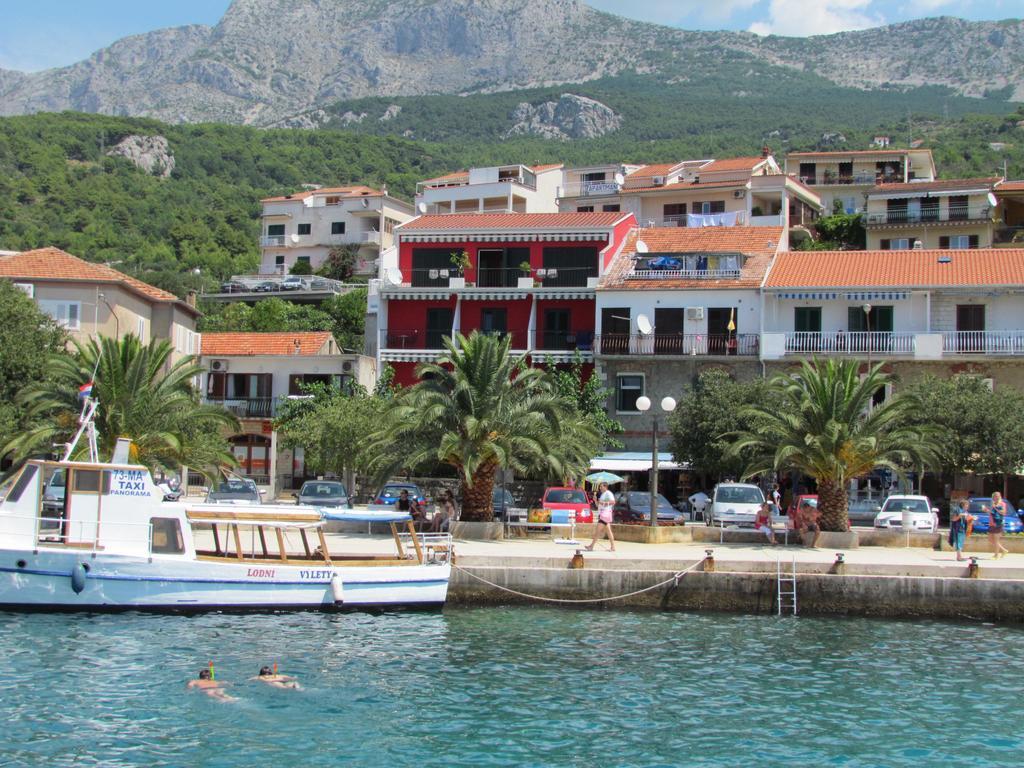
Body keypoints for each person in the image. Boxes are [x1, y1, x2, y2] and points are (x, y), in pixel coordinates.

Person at [585, 481, 616, 552]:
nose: (600, 488)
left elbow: (613, 502)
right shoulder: (603, 494)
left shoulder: (608, 493)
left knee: (597, 531)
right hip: (603, 514)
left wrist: (604, 503)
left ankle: (591, 546)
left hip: (605, 514)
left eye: (601, 486)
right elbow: (598, 505)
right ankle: (613, 547)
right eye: (600, 486)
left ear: (605, 487)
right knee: (608, 531)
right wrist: (595, 500)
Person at [987, 491, 1009, 559]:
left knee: (996, 540)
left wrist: (996, 507)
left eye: (997, 496)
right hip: (991, 523)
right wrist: (987, 510)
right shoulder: (993, 504)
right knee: (990, 539)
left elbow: (1003, 513)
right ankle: (1004, 550)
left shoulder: (1002, 504)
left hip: (998, 524)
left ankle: (996, 555)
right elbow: (992, 513)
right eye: (994, 496)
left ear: (1000, 497)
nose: (996, 497)